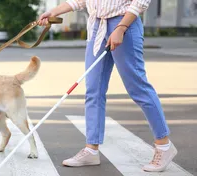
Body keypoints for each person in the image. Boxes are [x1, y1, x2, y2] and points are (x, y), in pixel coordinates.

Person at [37, 0, 177, 172]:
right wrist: (55, 11)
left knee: (138, 88)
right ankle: (91, 149)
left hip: (125, 23)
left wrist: (121, 27)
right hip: (97, 26)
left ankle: (164, 146)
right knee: (93, 90)